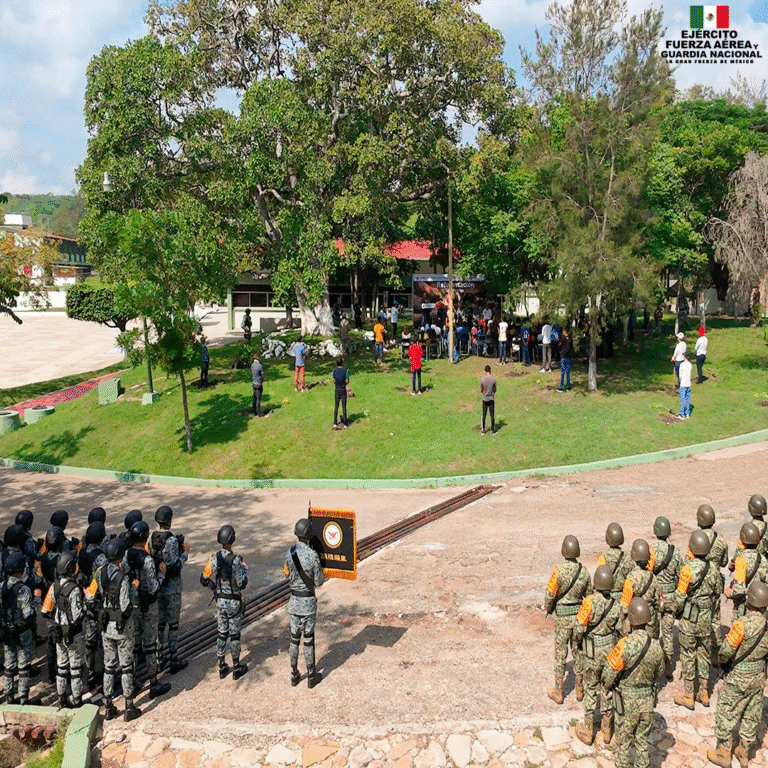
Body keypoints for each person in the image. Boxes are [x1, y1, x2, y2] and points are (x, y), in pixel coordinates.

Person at [707, 579, 768, 768]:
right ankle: (744, 752)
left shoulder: (742, 624)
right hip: (758, 676)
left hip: (738, 677)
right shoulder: (766, 625)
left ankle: (723, 753)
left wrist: (721, 662)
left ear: (749, 600)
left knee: (726, 712)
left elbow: (726, 652)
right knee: (751, 713)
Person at [602, 597, 664, 768]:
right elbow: (659, 673)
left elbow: (609, 673)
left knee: (623, 744)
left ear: (631, 619)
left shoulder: (625, 645)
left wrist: (607, 686)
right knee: (643, 744)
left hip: (627, 703)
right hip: (647, 701)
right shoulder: (656, 645)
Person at [86, 536, 140, 721]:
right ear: (119, 557)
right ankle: (129, 706)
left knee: (109, 666)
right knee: (126, 667)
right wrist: (134, 589)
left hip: (105, 625)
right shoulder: (123, 577)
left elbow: (89, 597)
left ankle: (108, 706)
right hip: (122, 629)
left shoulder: (99, 573)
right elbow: (125, 607)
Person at [574, 565, 622, 746]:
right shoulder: (615, 606)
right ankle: (607, 729)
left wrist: (578, 642)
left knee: (590, 688)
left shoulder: (589, 602)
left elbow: (579, 627)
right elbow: (621, 631)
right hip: (609, 651)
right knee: (607, 689)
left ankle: (588, 729)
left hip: (592, 652)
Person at [673, 530, 720, 709]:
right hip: (706, 619)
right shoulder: (713, 569)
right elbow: (716, 593)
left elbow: (679, 598)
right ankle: (704, 692)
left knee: (688, 655)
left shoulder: (687, 570)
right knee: (703, 654)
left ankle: (688, 694)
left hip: (689, 620)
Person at [124, 521, 171, 699]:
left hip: (132, 603)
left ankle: (134, 681)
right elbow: (153, 587)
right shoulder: (148, 560)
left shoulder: (127, 555)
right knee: (150, 645)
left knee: (134, 644)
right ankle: (153, 682)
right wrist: (162, 575)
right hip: (148, 605)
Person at [545, 535, 591, 705]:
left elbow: (550, 593)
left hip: (562, 618)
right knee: (578, 651)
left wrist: (549, 607)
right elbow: (590, 596)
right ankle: (579, 689)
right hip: (578, 617)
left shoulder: (558, 570)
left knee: (560, 653)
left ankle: (558, 691)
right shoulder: (584, 572)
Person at [200, 525, 248, 681]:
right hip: (233, 602)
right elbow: (242, 584)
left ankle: (221, 665)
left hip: (220, 601)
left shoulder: (213, 558)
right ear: (232, 539)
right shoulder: (236, 561)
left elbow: (204, 579)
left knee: (222, 633)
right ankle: (236, 666)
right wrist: (244, 570)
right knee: (234, 634)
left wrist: (215, 587)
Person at [41, 551, 85, 708]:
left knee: (61, 667)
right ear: (71, 568)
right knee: (75, 669)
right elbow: (78, 615)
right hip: (73, 634)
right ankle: (77, 699)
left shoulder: (54, 586)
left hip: (59, 633)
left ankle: (61, 699)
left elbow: (45, 611)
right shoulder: (75, 590)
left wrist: (56, 621)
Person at [284, 518, 325, 688]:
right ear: (308, 534)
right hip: (308, 603)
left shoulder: (289, 552)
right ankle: (311, 675)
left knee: (294, 639)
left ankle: (294, 674)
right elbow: (319, 581)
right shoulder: (312, 555)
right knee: (308, 639)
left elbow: (286, 573)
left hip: (294, 602)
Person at [151, 505, 189, 674]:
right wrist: (185, 554)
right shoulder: (172, 541)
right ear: (169, 521)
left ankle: (158, 658)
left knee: (159, 624)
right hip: (172, 587)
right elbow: (175, 566)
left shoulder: (151, 538)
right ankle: (173, 657)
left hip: (158, 587)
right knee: (173, 624)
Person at [2, 550, 37, 705]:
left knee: (8, 666)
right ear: (21, 570)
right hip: (23, 633)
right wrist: (36, 600)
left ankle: (9, 696)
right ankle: (24, 698)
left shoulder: (1, 587)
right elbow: (29, 614)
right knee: (23, 667)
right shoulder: (24, 590)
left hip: (6, 632)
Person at [649, 516, 682, 679]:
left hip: (655, 595)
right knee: (668, 631)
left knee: (654, 631)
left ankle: (655, 665)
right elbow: (679, 575)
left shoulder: (651, 550)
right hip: (669, 596)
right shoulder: (674, 552)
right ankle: (668, 666)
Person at [77, 521, 107, 690]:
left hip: (86, 598)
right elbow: (102, 580)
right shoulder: (101, 557)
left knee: (89, 640)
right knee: (102, 639)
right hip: (98, 601)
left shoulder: (82, 553)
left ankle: (88, 674)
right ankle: (101, 673)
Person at [695, 504, 728, 654]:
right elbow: (724, 562)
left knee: (696, 616)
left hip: (699, 583)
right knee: (715, 618)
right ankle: (716, 651)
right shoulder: (720, 540)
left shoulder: (696, 539)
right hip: (715, 583)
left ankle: (699, 648)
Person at [727, 522, 768, 620]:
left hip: (743, 607)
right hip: (759, 606)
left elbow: (739, 589)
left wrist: (729, 593)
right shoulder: (763, 559)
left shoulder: (741, 560)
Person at [620, 540, 660, 638]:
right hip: (651, 620)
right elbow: (658, 600)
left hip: (636, 622)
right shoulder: (653, 577)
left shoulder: (631, 578)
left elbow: (624, 605)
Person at [597, 523, 635, 601]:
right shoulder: (627, 559)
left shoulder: (603, 557)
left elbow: (599, 580)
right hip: (624, 598)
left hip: (608, 598)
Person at [332, 358, 349, 429]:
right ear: (342, 363)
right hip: (343, 390)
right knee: (344, 407)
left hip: (337, 390)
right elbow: (347, 381)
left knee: (336, 406)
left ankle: (335, 422)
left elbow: (334, 381)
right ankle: (345, 423)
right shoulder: (345, 371)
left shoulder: (334, 371)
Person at [479, 364, 497, 435]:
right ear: (490, 370)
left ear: (485, 371)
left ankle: (483, 430)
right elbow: (495, 389)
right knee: (492, 415)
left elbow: (481, 389)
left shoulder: (482, 379)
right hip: (491, 399)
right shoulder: (493, 379)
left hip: (485, 399)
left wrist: (484, 393)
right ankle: (493, 430)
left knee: (484, 414)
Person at [677, 351, 692, 420]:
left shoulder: (682, 364)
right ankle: (687, 414)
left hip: (683, 384)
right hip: (688, 384)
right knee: (687, 399)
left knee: (682, 399)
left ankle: (682, 414)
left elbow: (680, 375)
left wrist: (680, 381)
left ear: (685, 357)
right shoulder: (690, 364)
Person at [557, 327, 573, 392]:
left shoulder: (562, 339)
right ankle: (568, 385)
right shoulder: (570, 339)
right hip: (568, 356)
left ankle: (561, 386)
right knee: (568, 372)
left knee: (563, 372)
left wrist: (560, 352)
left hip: (563, 356)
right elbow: (571, 347)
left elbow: (559, 346)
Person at [251, 352, 264, 417]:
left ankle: (254, 411)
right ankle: (259, 412)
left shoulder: (252, 365)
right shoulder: (260, 366)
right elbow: (262, 375)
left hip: (254, 383)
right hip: (258, 383)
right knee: (258, 399)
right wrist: (262, 380)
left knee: (255, 397)